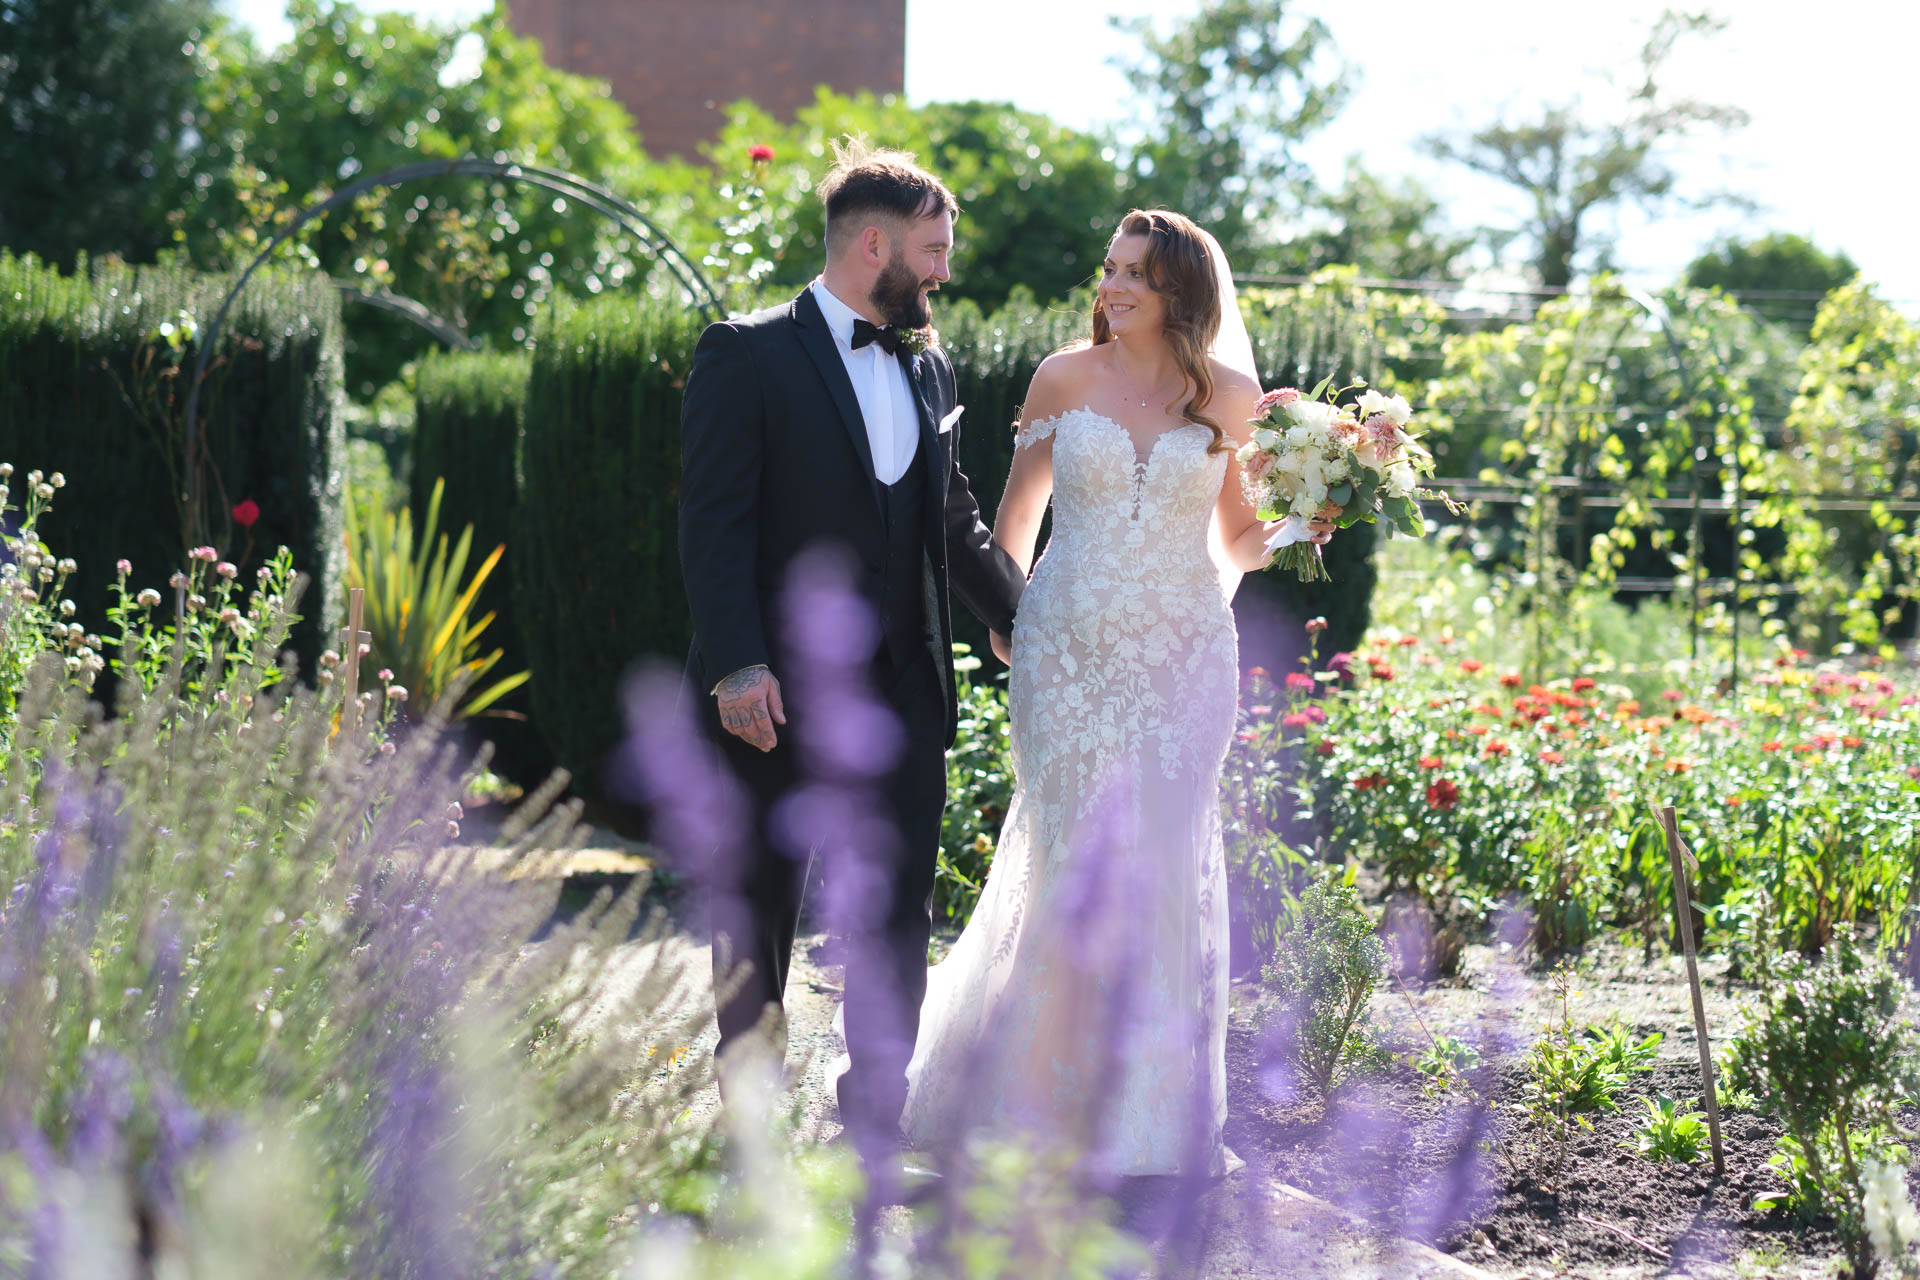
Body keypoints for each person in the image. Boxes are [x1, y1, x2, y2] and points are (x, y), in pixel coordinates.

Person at [902, 209, 1336, 1177]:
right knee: (1069, 854)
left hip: (1185, 652)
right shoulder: (1062, 376)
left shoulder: (1230, 393)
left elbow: (1234, 540)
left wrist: (1311, 514)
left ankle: (1149, 1115)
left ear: (1181, 288)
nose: (1113, 286)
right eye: (1110, 268)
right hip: (1064, 651)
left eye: (1135, 272)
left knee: (1164, 857)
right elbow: (1013, 515)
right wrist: (1005, 617)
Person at [676, 139, 1026, 1169]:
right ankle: (747, 1116)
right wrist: (737, 662)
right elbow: (713, 523)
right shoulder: (745, 353)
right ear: (872, 243)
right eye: (933, 248)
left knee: (897, 903)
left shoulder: (930, 362)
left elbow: (953, 517)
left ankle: (875, 1111)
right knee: (759, 894)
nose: (944, 270)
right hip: (776, 689)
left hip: (907, 689)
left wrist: (1024, 611)